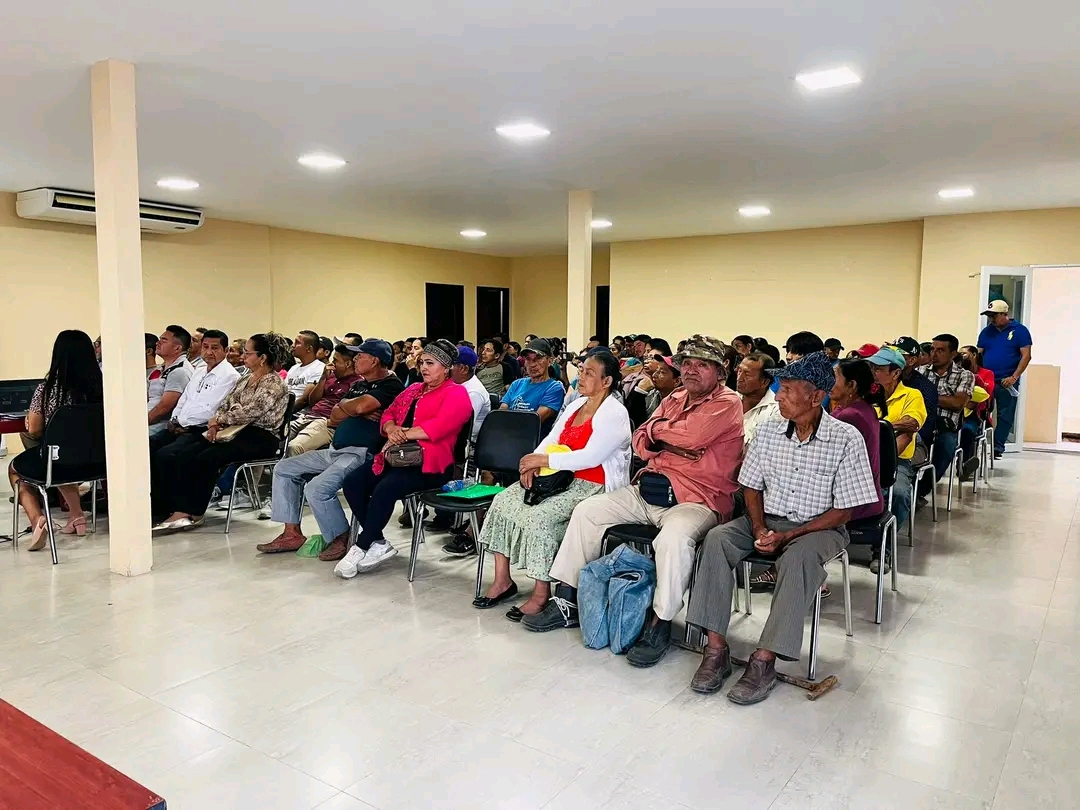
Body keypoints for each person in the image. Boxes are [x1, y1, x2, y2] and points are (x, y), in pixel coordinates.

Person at [526, 336, 744, 670]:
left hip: (698, 498)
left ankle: (660, 622)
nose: (691, 370)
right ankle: (568, 599)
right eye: (687, 363)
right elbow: (640, 440)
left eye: (702, 365)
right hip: (650, 489)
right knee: (588, 512)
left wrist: (664, 436)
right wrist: (668, 439)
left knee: (672, 540)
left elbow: (692, 437)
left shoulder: (728, 402)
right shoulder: (675, 397)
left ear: (720, 371)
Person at [685, 351, 877, 704]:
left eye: (787, 390)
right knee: (716, 539)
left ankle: (764, 660)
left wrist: (790, 535)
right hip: (768, 519)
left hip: (819, 528)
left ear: (816, 397)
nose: (778, 396)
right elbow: (751, 485)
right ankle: (716, 649)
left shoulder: (846, 438)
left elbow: (844, 511)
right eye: (779, 388)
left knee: (798, 558)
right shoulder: (769, 430)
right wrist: (759, 528)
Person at [473, 352, 631, 616]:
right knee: (502, 502)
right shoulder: (576, 404)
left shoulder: (615, 413)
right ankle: (503, 580)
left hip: (590, 485)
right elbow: (552, 438)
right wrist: (534, 462)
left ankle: (541, 592)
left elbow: (591, 457)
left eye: (589, 373)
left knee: (540, 519)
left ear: (607, 381)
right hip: (557, 477)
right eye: (581, 371)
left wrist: (544, 459)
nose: (581, 377)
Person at [332, 340, 472, 575]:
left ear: (446, 368)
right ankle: (378, 542)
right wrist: (390, 428)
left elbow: (439, 427)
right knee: (353, 482)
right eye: (422, 362)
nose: (424, 367)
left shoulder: (457, 393)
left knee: (385, 488)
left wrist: (402, 433)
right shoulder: (413, 389)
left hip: (430, 464)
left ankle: (362, 545)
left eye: (430, 363)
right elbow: (389, 412)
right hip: (397, 456)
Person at [256, 339, 405, 558]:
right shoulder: (358, 385)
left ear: (374, 361)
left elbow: (360, 407)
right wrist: (352, 409)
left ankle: (340, 536)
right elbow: (333, 417)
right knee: (284, 468)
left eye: (360, 355)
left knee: (317, 488)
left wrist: (353, 409)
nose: (355, 359)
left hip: (361, 453)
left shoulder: (391, 385)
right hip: (336, 450)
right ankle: (291, 533)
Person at [152, 333, 291, 531]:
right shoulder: (245, 379)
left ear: (262, 358)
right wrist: (216, 423)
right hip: (235, 431)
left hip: (261, 437)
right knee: (186, 453)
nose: (243, 356)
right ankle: (177, 507)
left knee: (207, 458)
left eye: (248, 353)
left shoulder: (274, 383)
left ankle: (193, 512)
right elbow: (226, 404)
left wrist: (221, 419)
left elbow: (251, 412)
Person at [8, 330, 103, 549]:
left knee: (17, 469)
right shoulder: (104, 388)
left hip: (60, 462)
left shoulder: (48, 389)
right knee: (61, 456)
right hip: (98, 463)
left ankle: (38, 521)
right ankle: (76, 516)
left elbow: (34, 429)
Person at [148, 330, 240, 516]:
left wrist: (184, 424)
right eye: (205, 347)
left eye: (215, 348)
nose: (209, 352)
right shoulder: (199, 371)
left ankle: (171, 507)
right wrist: (175, 420)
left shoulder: (230, 376)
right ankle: (153, 503)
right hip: (180, 425)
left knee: (168, 455)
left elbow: (212, 408)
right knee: (148, 447)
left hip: (202, 429)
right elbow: (184, 399)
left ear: (225, 350)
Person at [866, 346, 926, 567]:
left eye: (879, 368)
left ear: (896, 372)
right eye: (872, 367)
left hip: (896, 460)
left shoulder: (912, 395)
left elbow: (912, 424)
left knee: (898, 493)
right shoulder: (869, 395)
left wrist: (880, 426)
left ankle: (884, 547)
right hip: (863, 457)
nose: (874, 372)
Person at [977, 300, 1033, 458]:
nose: (991, 319)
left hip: (1007, 380)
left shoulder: (1020, 331)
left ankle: (997, 447)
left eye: (994, 316)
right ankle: (978, 443)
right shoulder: (987, 332)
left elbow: (1026, 356)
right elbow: (979, 353)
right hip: (987, 379)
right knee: (981, 411)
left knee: (1005, 415)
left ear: (1004, 314)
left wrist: (1014, 377)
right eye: (989, 316)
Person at [284, 344, 362, 457]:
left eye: (335, 360)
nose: (331, 364)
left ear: (348, 364)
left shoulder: (357, 384)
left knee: (294, 447)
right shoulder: (331, 376)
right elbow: (312, 401)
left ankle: (287, 469)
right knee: (275, 438)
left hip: (326, 423)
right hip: (308, 416)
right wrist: (323, 378)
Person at [920, 334, 974, 482]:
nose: (934, 354)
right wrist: (944, 399)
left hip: (946, 427)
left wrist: (926, 397)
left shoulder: (965, 375)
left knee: (947, 445)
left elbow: (958, 403)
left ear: (953, 354)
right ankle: (909, 484)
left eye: (940, 350)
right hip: (921, 423)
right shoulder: (920, 371)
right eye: (932, 349)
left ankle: (925, 487)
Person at [500, 338, 565, 429]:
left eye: (538, 359)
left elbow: (534, 421)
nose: (532, 364)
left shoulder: (554, 388)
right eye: (528, 359)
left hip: (532, 436)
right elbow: (501, 414)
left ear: (550, 361)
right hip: (507, 433)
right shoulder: (517, 384)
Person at [893, 337, 938, 454]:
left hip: (915, 443)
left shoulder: (925, 388)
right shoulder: (882, 383)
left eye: (899, 355)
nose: (892, 358)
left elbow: (924, 428)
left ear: (912, 360)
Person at [147, 325, 194, 435]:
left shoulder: (180, 371)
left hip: (160, 425)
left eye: (163, 340)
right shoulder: (160, 369)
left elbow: (164, 408)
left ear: (177, 348)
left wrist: (140, 423)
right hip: (148, 418)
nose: (157, 343)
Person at [958, 346, 995, 478]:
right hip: (956, 413)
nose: (962, 356)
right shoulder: (956, 373)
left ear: (974, 355)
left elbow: (984, 397)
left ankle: (964, 466)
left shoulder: (986, 374)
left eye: (964, 354)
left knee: (967, 430)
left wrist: (961, 401)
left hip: (975, 415)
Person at [737, 352, 779, 446]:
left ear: (764, 382)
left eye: (747, 374)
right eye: (739, 371)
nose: (739, 378)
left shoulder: (775, 411)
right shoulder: (729, 400)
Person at [626, 355, 680, 429]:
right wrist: (639, 392)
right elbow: (632, 422)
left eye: (662, 372)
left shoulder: (679, 405)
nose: (654, 375)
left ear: (677, 381)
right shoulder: (652, 394)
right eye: (656, 370)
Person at [450, 346, 490, 442]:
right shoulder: (456, 384)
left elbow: (460, 426)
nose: (446, 369)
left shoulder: (474, 393)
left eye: (450, 365)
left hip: (465, 442)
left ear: (464, 369)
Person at [286, 331, 327, 411]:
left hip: (298, 414)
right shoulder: (293, 368)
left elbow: (304, 400)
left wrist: (285, 414)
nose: (293, 345)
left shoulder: (319, 368)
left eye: (297, 343)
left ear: (309, 349)